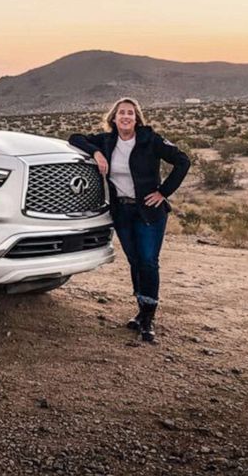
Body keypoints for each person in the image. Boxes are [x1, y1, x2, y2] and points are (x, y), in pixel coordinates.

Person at [69, 97, 190, 343]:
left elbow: (182, 161)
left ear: (137, 119)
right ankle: (141, 309)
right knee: (135, 260)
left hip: (148, 211)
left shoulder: (150, 140)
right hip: (122, 212)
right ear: (113, 118)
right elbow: (74, 137)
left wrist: (163, 192)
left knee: (148, 261)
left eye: (131, 114)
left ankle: (147, 318)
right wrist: (96, 152)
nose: (126, 117)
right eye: (121, 113)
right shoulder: (106, 140)